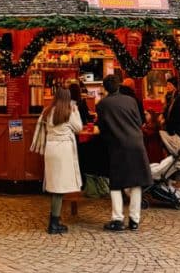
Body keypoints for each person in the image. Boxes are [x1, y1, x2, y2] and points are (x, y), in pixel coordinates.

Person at [95, 75, 152, 231]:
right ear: (119, 86)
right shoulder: (130, 100)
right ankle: (134, 220)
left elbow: (102, 128)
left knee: (116, 182)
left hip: (117, 145)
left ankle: (117, 219)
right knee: (136, 182)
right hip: (137, 143)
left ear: (105, 88)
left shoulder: (102, 105)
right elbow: (140, 121)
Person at [36, 88, 83, 234]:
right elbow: (79, 128)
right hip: (63, 150)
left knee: (56, 185)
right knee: (59, 188)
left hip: (50, 150)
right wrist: (76, 111)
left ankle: (54, 219)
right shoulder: (69, 112)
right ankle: (54, 223)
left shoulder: (47, 111)